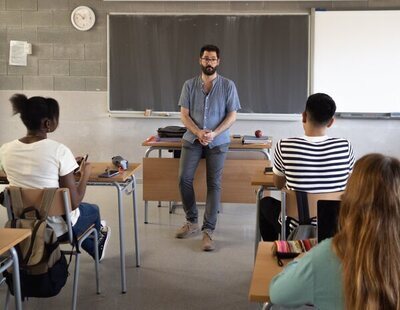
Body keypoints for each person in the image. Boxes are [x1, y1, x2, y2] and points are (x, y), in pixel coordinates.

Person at [269, 153, 400, 309]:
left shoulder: (327, 254)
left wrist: (300, 260)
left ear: (349, 199)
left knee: (266, 204)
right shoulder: (345, 149)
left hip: (298, 226)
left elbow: (277, 294)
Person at [0, 94, 110, 261]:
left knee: (86, 213)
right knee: (93, 210)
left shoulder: (5, 150)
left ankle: (94, 241)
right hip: (58, 229)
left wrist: (64, 167)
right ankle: (95, 248)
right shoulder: (59, 150)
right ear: (47, 124)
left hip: (22, 226)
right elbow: (74, 203)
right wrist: (85, 173)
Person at [259, 93, 355, 241]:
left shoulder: (285, 145)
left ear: (304, 116)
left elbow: (278, 184)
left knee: (265, 202)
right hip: (334, 226)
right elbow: (348, 183)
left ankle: (274, 251)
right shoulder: (345, 146)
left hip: (297, 226)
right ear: (331, 122)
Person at [175, 44, 241, 251]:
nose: (209, 62)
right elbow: (184, 114)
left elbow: (232, 115)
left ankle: (208, 231)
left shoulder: (228, 86)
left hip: (218, 141)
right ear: (200, 60)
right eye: (206, 58)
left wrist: (214, 133)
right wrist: (198, 133)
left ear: (218, 61)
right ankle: (192, 221)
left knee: (214, 183)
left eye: (213, 59)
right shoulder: (189, 85)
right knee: (183, 178)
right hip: (193, 139)